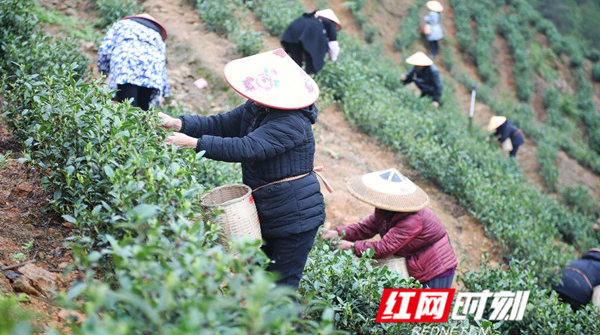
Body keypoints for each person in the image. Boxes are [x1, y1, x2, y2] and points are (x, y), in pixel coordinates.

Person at [157, 48, 325, 290]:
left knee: (282, 289)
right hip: (269, 209)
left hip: (295, 217)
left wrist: (193, 143)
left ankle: (288, 328)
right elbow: (222, 124)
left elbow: (247, 147)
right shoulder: (258, 107)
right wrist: (179, 123)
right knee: (259, 282)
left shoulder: (292, 122)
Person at [321, 168, 458, 289]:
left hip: (436, 269)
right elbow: (366, 227)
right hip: (416, 261)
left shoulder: (412, 219)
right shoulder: (386, 210)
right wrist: (337, 233)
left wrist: (352, 247)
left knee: (425, 313)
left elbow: (384, 248)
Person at [98, 13, 170, 111]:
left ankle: (127, 125)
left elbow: (105, 50)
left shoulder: (122, 25)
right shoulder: (157, 35)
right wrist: (166, 92)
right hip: (151, 74)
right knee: (143, 110)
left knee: (128, 107)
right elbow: (162, 64)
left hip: (126, 68)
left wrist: (103, 72)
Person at [280, 9, 342, 74]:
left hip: (293, 35)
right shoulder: (330, 25)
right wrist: (333, 58)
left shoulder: (307, 19)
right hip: (307, 38)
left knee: (294, 62)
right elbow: (333, 44)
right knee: (297, 67)